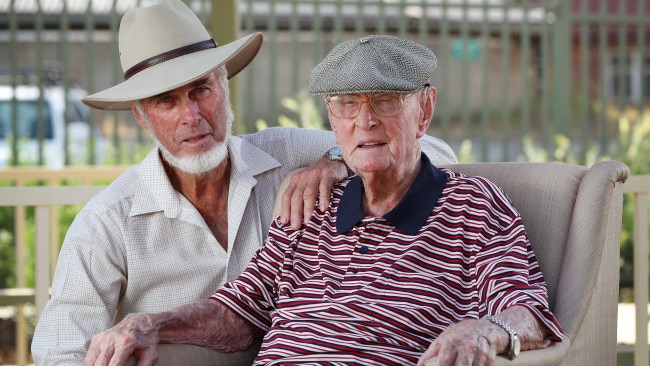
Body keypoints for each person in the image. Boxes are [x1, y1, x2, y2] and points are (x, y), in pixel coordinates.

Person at [84, 34, 562, 366]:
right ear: (332, 122)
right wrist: (149, 323)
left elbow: (529, 316)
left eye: (386, 101)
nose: (365, 122)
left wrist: (482, 331)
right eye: (348, 107)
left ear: (426, 109)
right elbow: (234, 315)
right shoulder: (310, 208)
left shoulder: (473, 205)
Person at [31, 2, 457, 365]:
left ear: (223, 85)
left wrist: (337, 163)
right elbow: (57, 350)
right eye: (166, 100)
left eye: (201, 89)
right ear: (141, 115)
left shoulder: (284, 153)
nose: (191, 116)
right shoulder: (108, 222)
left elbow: (434, 152)